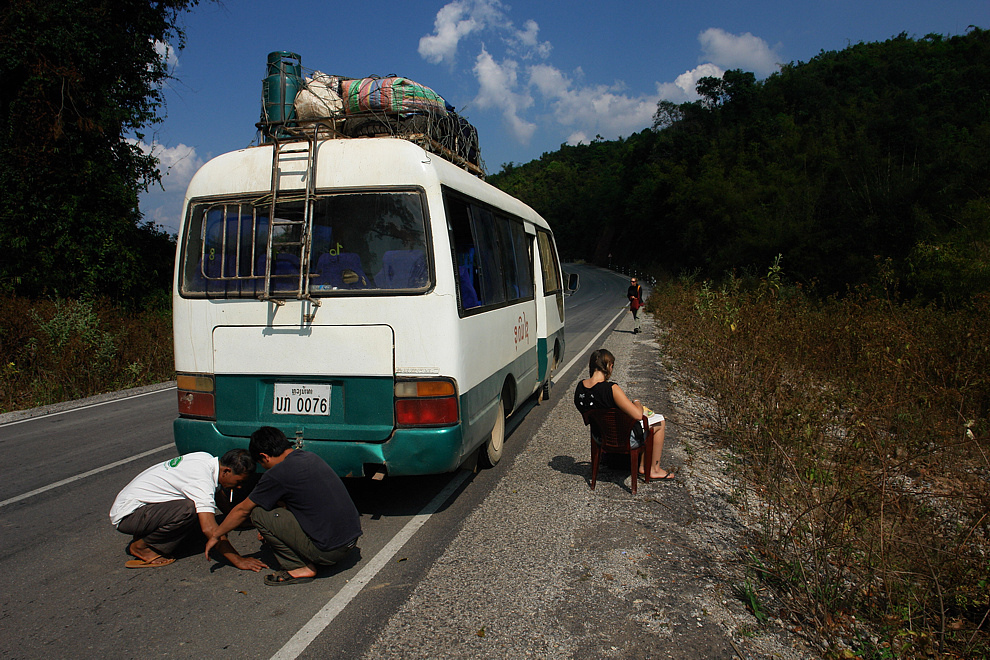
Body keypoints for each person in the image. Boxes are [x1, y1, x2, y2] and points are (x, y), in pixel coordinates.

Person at [205, 426, 362, 586]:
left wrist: (216, 535)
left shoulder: (277, 473)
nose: (264, 467)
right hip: (350, 541)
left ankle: (299, 567)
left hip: (329, 552)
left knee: (259, 513)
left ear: (264, 456)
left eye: (261, 463)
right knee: (277, 507)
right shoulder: (309, 456)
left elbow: (242, 510)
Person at [109, 449, 268, 570]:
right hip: (128, 516)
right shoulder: (201, 480)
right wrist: (238, 560)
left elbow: (218, 493)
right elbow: (210, 529)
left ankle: (151, 532)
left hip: (140, 508)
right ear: (226, 471)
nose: (239, 486)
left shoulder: (207, 459)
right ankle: (142, 547)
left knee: (194, 509)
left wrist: (235, 520)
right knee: (189, 510)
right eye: (239, 481)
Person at [573, 348, 674, 480]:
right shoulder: (611, 389)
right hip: (623, 439)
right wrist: (636, 402)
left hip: (599, 437)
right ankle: (653, 469)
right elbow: (637, 415)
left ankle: (642, 465)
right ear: (609, 366)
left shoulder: (580, 387)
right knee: (659, 423)